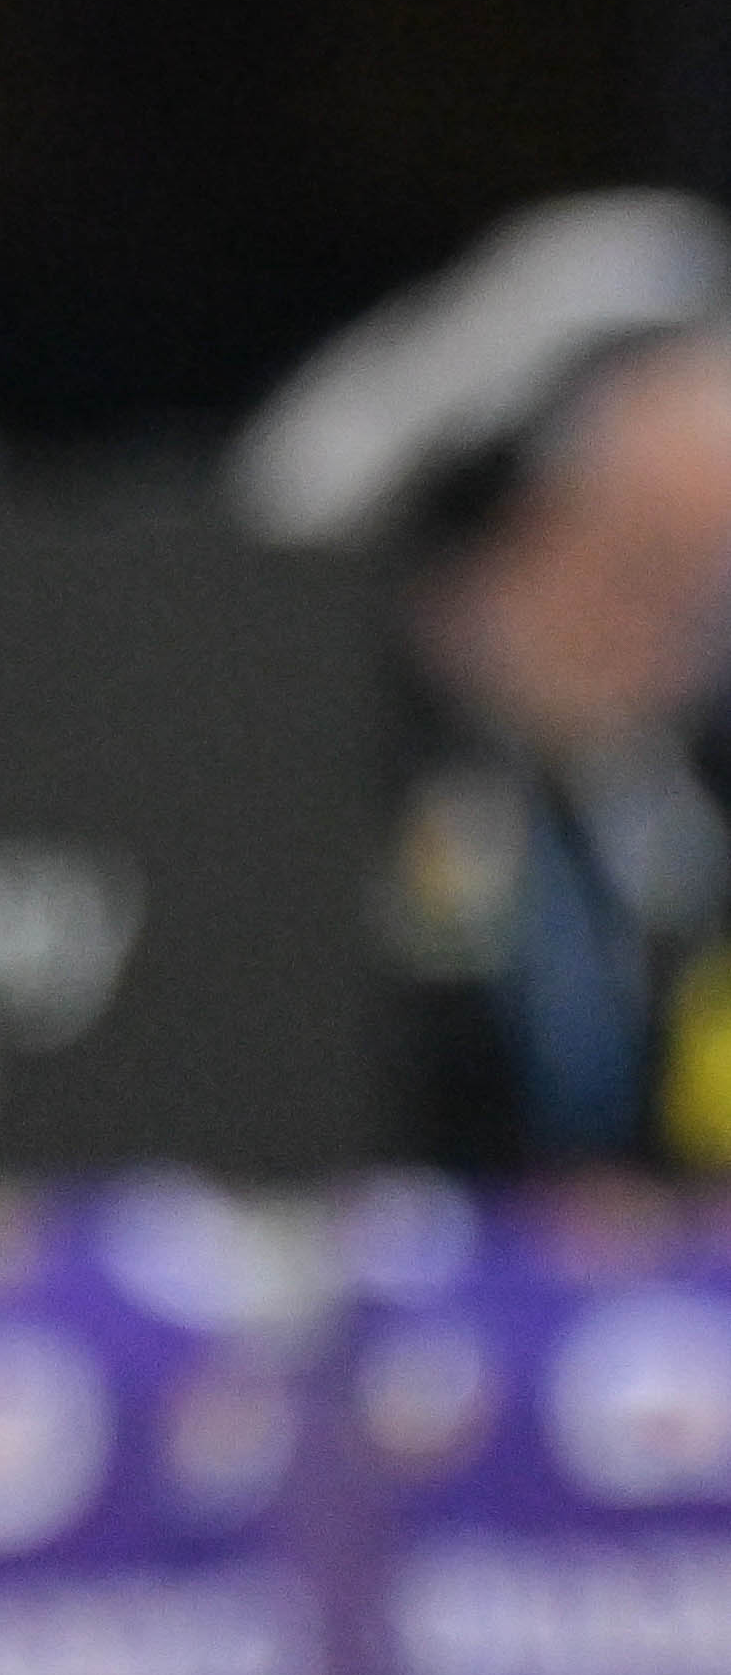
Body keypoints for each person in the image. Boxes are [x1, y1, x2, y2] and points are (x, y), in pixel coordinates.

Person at [236, 193, 731, 1171]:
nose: (664, 637)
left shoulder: (678, 794)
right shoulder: (324, 767)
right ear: (504, 520)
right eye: (635, 566)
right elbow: (280, 505)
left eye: (702, 586)